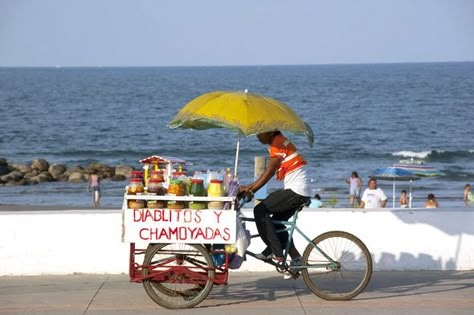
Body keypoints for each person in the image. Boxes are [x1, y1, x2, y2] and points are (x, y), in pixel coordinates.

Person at [238, 130, 311, 279]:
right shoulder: (279, 141)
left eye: (260, 134)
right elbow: (268, 173)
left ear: (270, 133)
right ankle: (296, 259)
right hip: (299, 190)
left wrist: (251, 189)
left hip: (296, 191)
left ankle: (274, 252)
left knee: (260, 210)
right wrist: (249, 188)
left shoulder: (277, 144)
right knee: (277, 224)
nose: (258, 137)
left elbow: (269, 172)